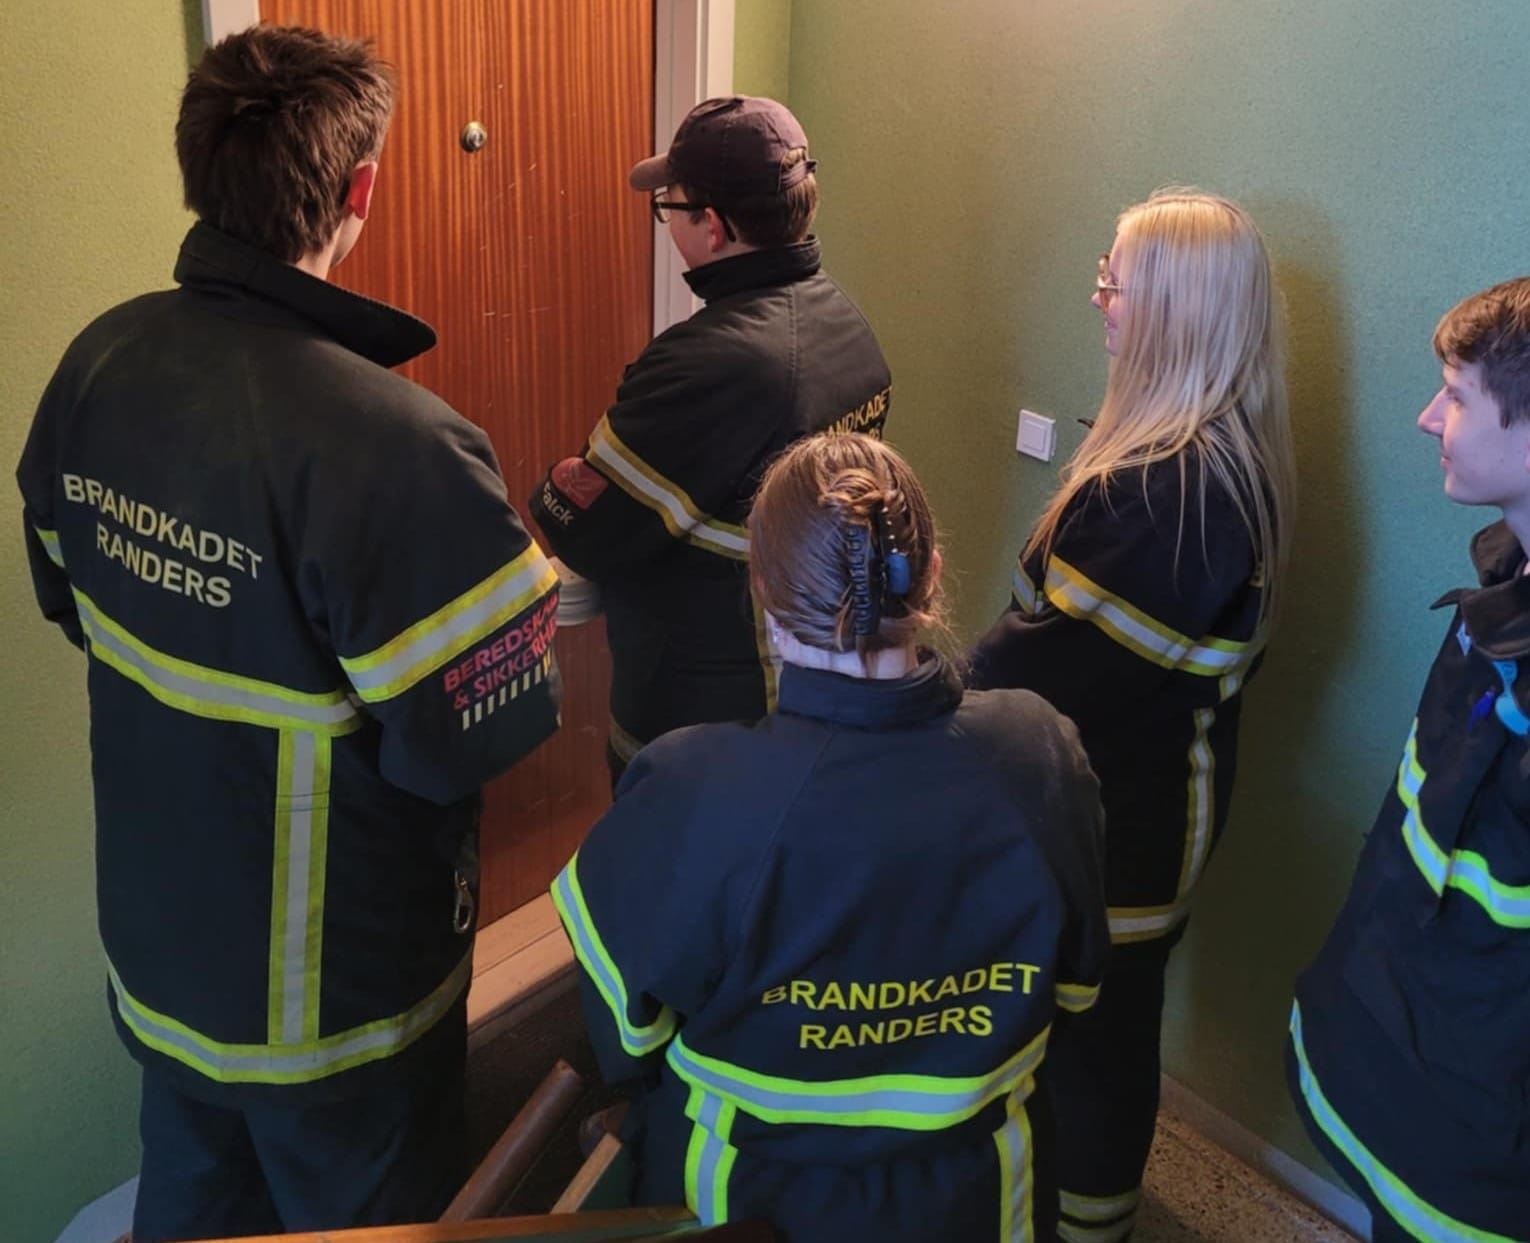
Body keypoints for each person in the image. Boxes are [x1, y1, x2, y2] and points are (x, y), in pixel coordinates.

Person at [15, 26, 562, 1242]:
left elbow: (70, 599)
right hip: (335, 1003)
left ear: (196, 168)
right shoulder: (400, 446)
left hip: (165, 945)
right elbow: (477, 735)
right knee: (367, 1219)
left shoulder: (98, 362)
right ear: (360, 190)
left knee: (193, 1196)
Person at [550, 433, 1108, 1241]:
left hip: (744, 1204)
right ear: (931, 575)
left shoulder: (689, 787)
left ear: (761, 587)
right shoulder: (1043, 754)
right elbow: (1076, 993)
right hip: (986, 1199)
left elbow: (627, 1040)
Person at [967, 189, 1296, 1242]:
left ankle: (1087, 1224)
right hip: (1143, 795)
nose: (1098, 298)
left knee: (1095, 1046)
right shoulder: (1201, 460)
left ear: (1177, 310)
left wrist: (917, 692)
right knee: (1102, 1029)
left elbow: (1037, 670)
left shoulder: (1169, 491)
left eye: (1115, 282)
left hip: (1125, 824)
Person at [530, 95, 891, 783]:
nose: (666, 220)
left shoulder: (710, 361)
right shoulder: (852, 331)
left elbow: (587, 528)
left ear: (714, 228)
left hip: (703, 720)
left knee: (667, 850)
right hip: (817, 691)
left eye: (669, 207)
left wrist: (557, 481)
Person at [1288, 279, 1530, 1243]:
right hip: (1415, 1052)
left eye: (1458, 396)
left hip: (1486, 1124)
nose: (1430, 416)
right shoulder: (1504, 589)